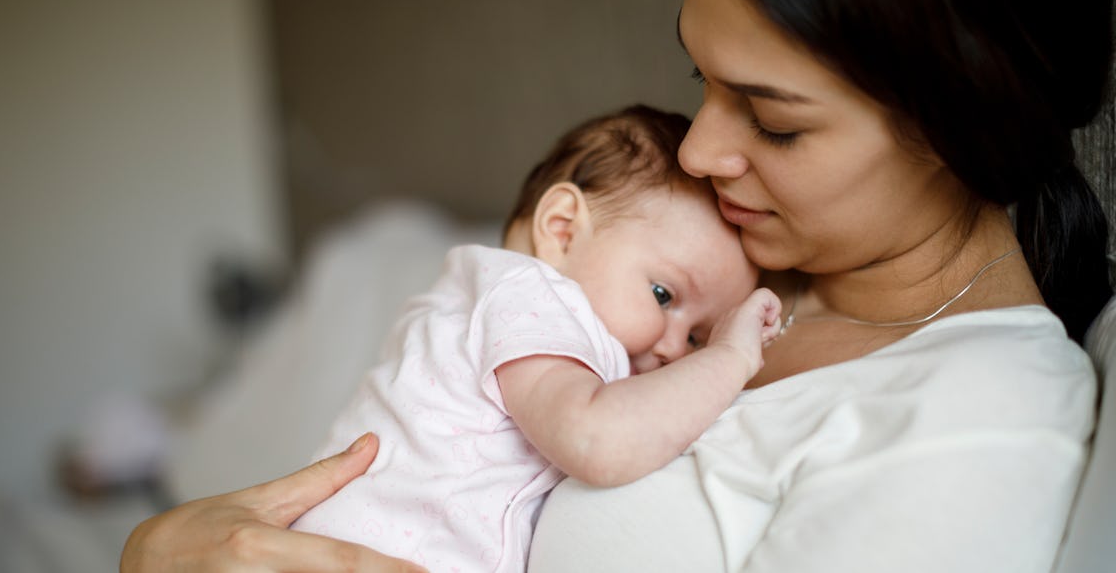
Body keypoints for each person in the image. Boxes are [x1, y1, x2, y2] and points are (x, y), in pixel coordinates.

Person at [120, 0, 1113, 571]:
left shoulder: (975, 413)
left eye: (773, 122)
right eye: (701, 79)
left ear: (957, 125)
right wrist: (161, 550)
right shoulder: (705, 254)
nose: (698, 152)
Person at [288, 105, 779, 572]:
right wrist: (730, 356)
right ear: (562, 231)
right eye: (663, 294)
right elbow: (595, 439)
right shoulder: (529, 299)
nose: (676, 349)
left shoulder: (488, 300)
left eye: (697, 337)